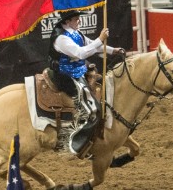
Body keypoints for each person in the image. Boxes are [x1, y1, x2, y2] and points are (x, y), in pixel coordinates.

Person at [48, 10, 125, 156]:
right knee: (92, 109)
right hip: (65, 75)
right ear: (67, 21)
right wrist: (101, 39)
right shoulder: (61, 39)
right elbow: (81, 53)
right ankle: (78, 143)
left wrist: (113, 50)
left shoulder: (75, 33)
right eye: (76, 19)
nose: (79, 21)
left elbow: (92, 45)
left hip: (77, 71)